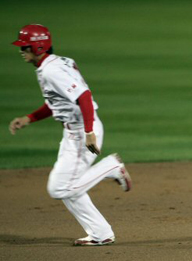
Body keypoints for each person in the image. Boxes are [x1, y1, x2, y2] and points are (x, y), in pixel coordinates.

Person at [9, 24, 132, 246]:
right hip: (74, 131)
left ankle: (111, 167)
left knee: (59, 188)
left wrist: (89, 132)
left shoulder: (51, 70)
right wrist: (30, 118)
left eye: (24, 47)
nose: (21, 51)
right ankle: (100, 233)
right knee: (69, 186)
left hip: (82, 131)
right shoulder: (55, 64)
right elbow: (58, 102)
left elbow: (84, 96)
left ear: (37, 47)